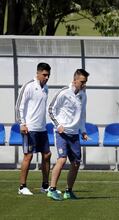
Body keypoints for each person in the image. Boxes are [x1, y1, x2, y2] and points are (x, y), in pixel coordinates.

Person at [47, 69, 90, 201]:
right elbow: (51, 109)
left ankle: (68, 191)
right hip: (62, 133)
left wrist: (83, 131)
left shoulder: (83, 95)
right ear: (75, 80)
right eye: (82, 82)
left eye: (85, 82)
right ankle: (52, 189)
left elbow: (82, 116)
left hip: (74, 134)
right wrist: (58, 125)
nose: (84, 84)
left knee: (76, 163)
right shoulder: (64, 92)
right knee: (62, 159)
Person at [16, 62, 52, 195]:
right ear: (38, 73)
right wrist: (22, 123)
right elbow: (19, 106)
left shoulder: (46, 88)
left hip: (42, 129)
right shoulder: (28, 86)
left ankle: (45, 185)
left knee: (47, 155)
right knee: (28, 156)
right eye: (44, 74)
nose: (47, 77)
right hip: (29, 128)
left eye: (48, 75)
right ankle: (22, 187)